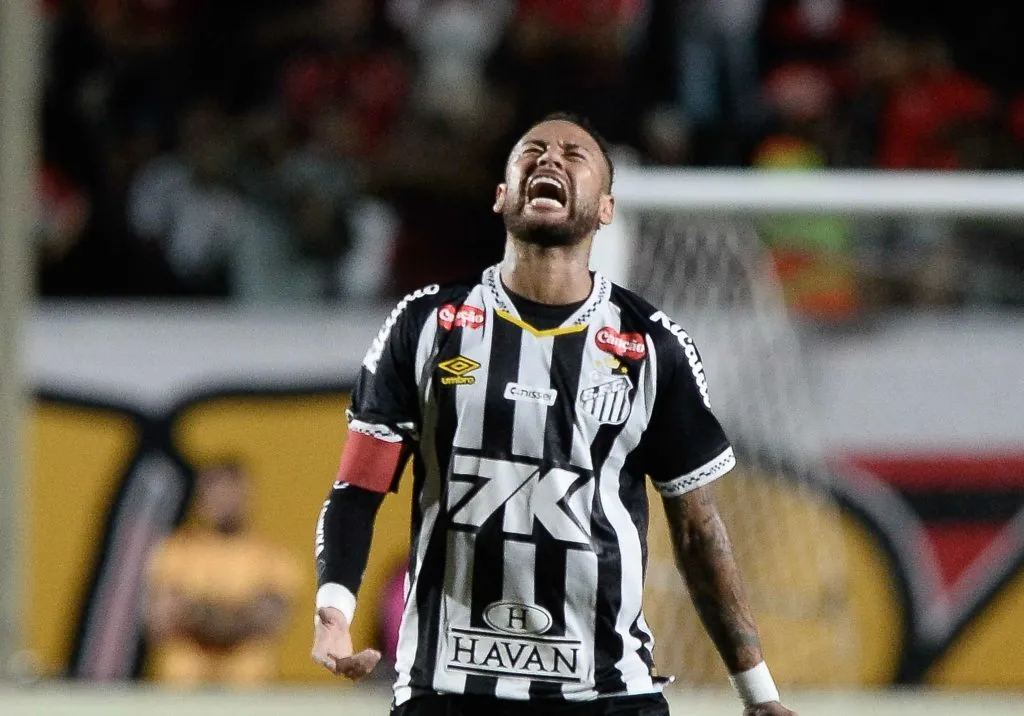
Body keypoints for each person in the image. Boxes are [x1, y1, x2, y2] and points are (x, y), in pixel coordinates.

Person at [311, 113, 797, 716]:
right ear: (500, 196)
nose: (549, 159)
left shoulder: (652, 347)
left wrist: (759, 695)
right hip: (449, 691)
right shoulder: (424, 325)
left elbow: (698, 532)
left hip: (608, 693)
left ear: (606, 209)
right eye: (532, 151)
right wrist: (334, 611)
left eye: (575, 155)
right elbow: (358, 489)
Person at [146, 462, 302, 687]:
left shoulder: (274, 560)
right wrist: (238, 613)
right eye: (213, 491)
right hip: (183, 692)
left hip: (247, 692)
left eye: (229, 492)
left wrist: (196, 611)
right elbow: (163, 619)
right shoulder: (174, 553)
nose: (220, 500)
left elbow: (268, 621)